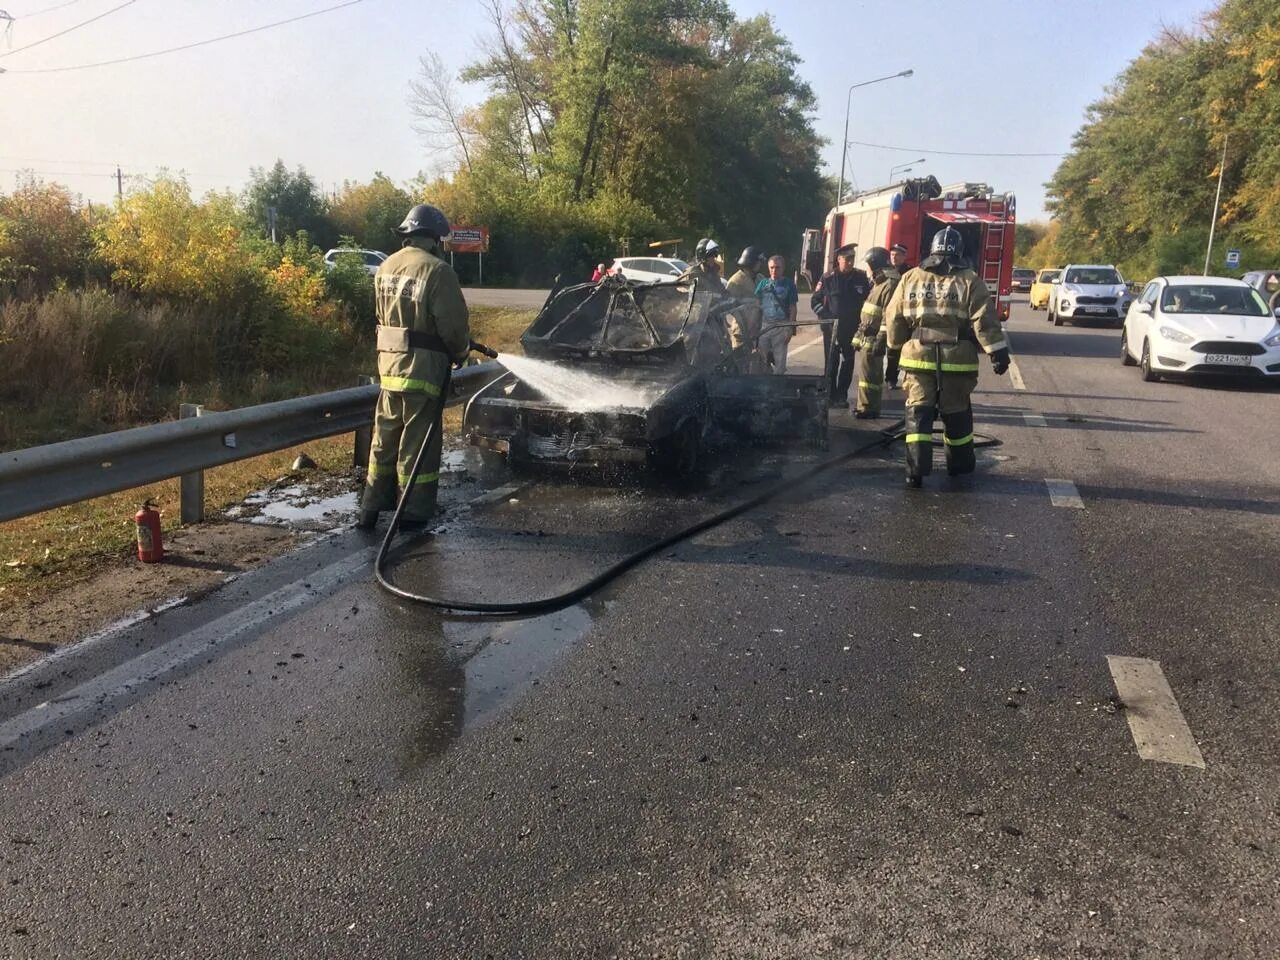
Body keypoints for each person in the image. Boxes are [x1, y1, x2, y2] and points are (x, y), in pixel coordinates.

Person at [357, 203, 471, 530]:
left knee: (384, 437)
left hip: (389, 366)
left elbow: (380, 316)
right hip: (423, 370)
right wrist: (461, 350)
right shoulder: (437, 271)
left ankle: (371, 508)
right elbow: (451, 326)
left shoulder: (385, 267)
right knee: (417, 442)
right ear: (434, 238)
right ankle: (414, 510)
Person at [885, 226, 1009, 488]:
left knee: (918, 411)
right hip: (957, 360)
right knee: (956, 412)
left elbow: (894, 318)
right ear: (959, 251)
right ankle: (959, 466)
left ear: (932, 249)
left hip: (917, 357)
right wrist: (997, 352)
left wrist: (893, 353)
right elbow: (984, 319)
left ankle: (915, 472)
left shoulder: (910, 278)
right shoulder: (969, 280)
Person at [810, 243, 871, 405]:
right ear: (839, 259)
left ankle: (841, 396)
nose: (850, 262)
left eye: (852, 258)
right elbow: (815, 301)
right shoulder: (828, 278)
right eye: (847, 259)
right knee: (831, 363)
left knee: (848, 362)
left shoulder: (861, 277)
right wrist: (826, 318)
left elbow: (868, 301)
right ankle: (830, 395)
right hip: (831, 329)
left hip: (852, 329)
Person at [851, 246, 900, 419]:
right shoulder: (879, 282)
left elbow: (889, 314)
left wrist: (881, 338)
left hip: (875, 335)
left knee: (870, 374)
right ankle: (865, 405)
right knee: (867, 373)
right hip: (868, 334)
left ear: (875, 264)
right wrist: (858, 336)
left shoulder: (889, 284)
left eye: (868, 265)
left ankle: (869, 408)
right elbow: (869, 311)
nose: (867, 269)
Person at [754, 255, 799, 374]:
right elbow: (756, 306)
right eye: (771, 267)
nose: (774, 270)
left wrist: (790, 328)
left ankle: (778, 386)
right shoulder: (763, 284)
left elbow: (793, 308)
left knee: (780, 363)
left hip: (781, 326)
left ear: (783, 268)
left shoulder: (789, 284)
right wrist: (755, 328)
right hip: (765, 326)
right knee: (761, 360)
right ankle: (764, 386)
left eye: (777, 267)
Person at [725, 246, 767, 362]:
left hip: (760, 331)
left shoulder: (761, 279)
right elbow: (726, 306)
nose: (760, 265)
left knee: (760, 365)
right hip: (742, 332)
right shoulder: (735, 282)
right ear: (751, 262)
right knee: (741, 365)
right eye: (758, 262)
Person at [886, 243, 911, 388]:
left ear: (904, 257)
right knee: (891, 349)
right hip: (888, 315)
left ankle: (903, 378)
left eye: (897, 255)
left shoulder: (910, 272)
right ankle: (890, 378)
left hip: (904, 315)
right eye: (892, 255)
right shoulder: (885, 271)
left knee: (904, 349)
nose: (894, 258)